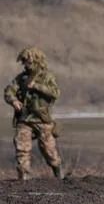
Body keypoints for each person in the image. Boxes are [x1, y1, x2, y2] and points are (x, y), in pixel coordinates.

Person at [4, 47, 63, 180]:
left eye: (27, 61)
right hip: (25, 119)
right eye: (24, 62)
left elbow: (55, 93)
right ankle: (24, 176)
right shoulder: (21, 78)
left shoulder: (47, 76)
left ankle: (58, 172)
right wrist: (13, 101)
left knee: (49, 150)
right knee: (21, 147)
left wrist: (36, 86)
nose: (25, 65)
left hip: (42, 119)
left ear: (36, 60)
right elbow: (9, 91)